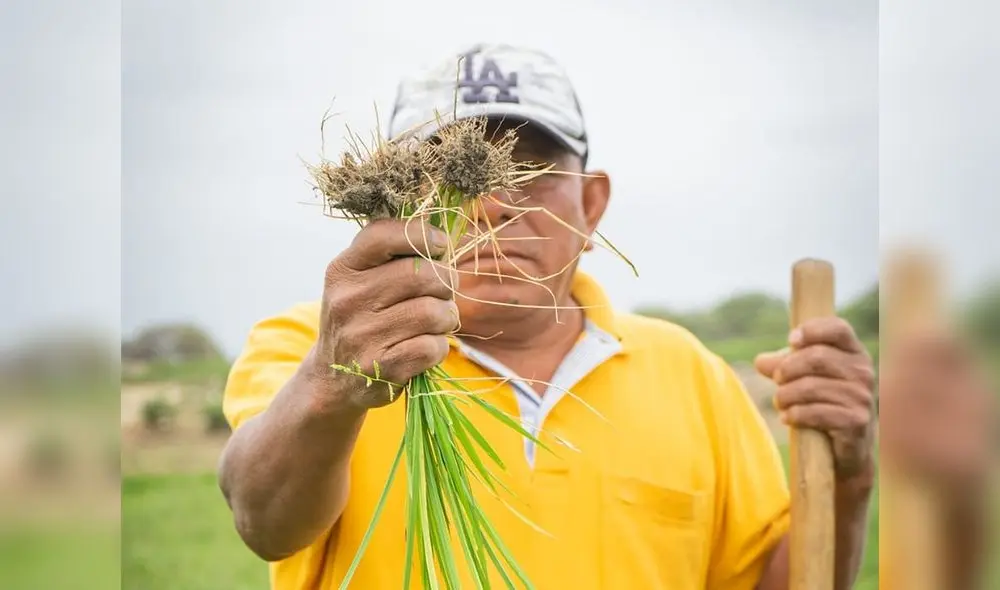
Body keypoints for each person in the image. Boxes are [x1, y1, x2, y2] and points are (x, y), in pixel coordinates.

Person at [218, 43, 876, 589]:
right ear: (390, 195)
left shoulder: (689, 373)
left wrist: (847, 480)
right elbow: (263, 521)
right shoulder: (313, 344)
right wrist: (330, 389)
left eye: (529, 169)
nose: (493, 206)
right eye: (448, 171)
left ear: (592, 207)